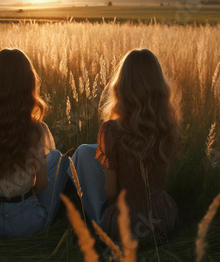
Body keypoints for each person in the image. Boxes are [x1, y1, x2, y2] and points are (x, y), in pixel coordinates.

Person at [68, 49, 182, 241]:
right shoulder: (167, 127)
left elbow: (111, 192)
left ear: (122, 85)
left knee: (84, 155)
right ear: (158, 86)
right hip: (163, 217)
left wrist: (115, 209)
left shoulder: (111, 130)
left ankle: (100, 232)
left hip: (125, 225)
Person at [0, 48, 69, 239]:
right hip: (25, 222)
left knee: (52, 157)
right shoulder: (36, 130)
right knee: (60, 160)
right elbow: (43, 183)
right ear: (28, 84)